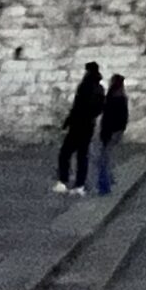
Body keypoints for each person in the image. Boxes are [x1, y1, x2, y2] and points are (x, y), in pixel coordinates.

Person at [54, 62, 104, 195]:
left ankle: (63, 181)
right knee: (83, 155)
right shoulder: (100, 88)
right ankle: (80, 185)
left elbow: (77, 107)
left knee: (65, 153)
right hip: (88, 126)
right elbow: (99, 108)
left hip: (77, 125)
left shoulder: (84, 86)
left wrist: (68, 122)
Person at [93, 74, 128, 195]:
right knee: (106, 158)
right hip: (116, 132)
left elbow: (107, 118)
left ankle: (104, 186)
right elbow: (123, 118)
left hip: (108, 132)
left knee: (103, 160)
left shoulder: (111, 97)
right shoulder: (122, 97)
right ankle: (109, 181)